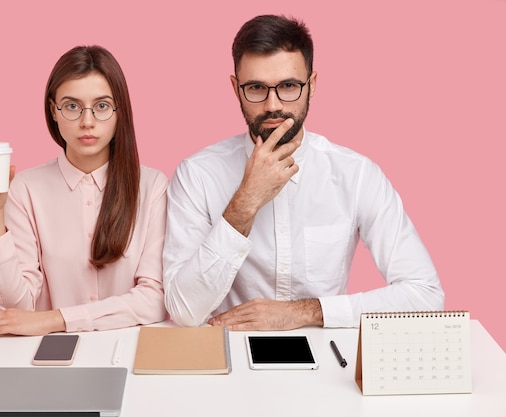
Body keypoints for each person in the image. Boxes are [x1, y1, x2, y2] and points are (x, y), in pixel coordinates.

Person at [163, 14, 444, 331]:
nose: (272, 105)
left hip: (327, 356)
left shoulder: (357, 174)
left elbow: (426, 295)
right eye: (256, 87)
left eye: (288, 86)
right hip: (229, 351)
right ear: (235, 88)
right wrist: (246, 200)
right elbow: (183, 310)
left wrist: (306, 312)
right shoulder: (198, 174)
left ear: (311, 86)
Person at [0, 45, 168, 338]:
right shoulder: (26, 189)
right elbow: (19, 308)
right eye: (72, 106)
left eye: (101, 106)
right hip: (51, 356)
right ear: (54, 111)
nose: (87, 121)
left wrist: (57, 320)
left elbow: (153, 300)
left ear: (119, 111)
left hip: (127, 348)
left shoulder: (151, 187)